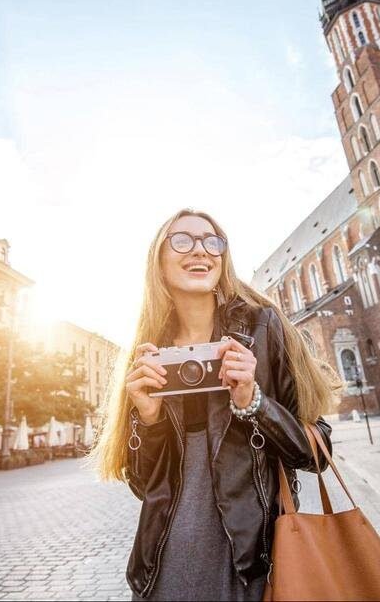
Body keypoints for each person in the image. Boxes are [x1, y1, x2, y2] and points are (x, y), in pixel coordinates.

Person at [92, 209, 341, 601]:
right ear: (157, 260)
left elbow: (317, 452)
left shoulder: (263, 327)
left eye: (212, 242)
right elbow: (144, 487)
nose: (200, 251)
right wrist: (149, 418)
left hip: (250, 565)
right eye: (182, 241)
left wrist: (254, 402)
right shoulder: (149, 351)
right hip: (164, 567)